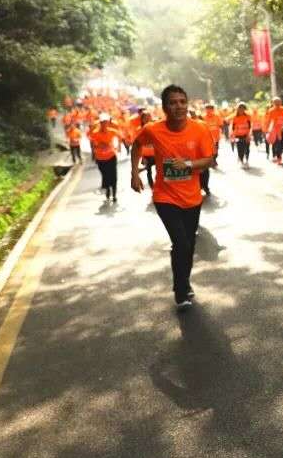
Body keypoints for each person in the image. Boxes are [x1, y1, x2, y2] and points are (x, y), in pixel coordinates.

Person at [131, 86, 216, 310]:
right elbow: (137, 144)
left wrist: (187, 164)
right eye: (173, 102)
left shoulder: (199, 129)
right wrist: (134, 173)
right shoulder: (153, 129)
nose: (178, 106)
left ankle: (184, 282)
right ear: (164, 107)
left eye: (182, 102)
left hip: (192, 198)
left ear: (187, 104)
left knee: (188, 245)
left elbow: (209, 160)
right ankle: (180, 291)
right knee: (181, 242)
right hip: (165, 197)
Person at [89, 113, 120, 202]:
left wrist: (117, 147)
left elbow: (118, 139)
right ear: (100, 123)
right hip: (100, 159)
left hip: (111, 156)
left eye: (106, 122)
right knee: (105, 176)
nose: (104, 124)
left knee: (114, 176)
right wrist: (100, 145)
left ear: (108, 123)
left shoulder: (113, 131)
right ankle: (108, 190)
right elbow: (93, 145)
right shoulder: (95, 133)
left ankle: (114, 194)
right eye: (103, 122)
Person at [232, 103, 254, 168]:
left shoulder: (248, 116)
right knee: (240, 148)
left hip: (246, 135)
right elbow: (233, 127)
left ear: (244, 109)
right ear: (237, 109)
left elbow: (250, 126)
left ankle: (247, 161)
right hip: (238, 135)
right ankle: (241, 161)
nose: (241, 110)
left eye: (243, 108)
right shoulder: (234, 117)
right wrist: (233, 136)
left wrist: (248, 135)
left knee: (247, 148)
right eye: (240, 108)